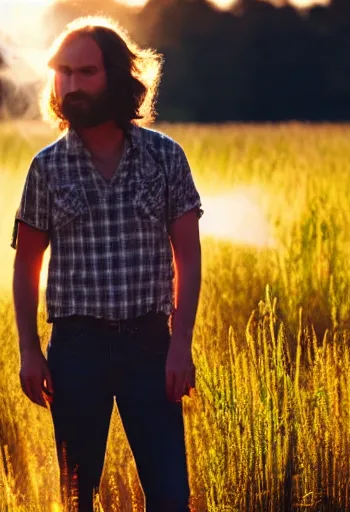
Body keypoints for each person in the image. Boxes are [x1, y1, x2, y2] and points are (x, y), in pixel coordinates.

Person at [11, 16, 202, 512]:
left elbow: (189, 254)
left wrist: (180, 345)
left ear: (117, 77)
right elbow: (26, 264)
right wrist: (30, 351)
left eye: (85, 72)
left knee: (169, 497)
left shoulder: (165, 157)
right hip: (76, 352)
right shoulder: (46, 167)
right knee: (77, 499)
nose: (71, 84)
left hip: (150, 349)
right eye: (63, 72)